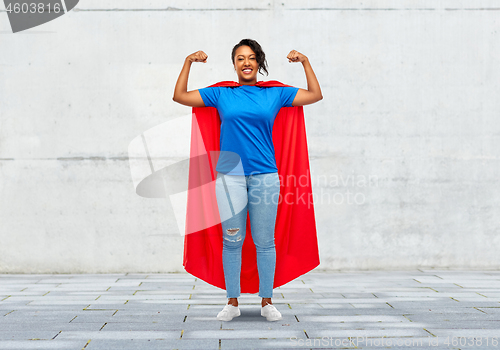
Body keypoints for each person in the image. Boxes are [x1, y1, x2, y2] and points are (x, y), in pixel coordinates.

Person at [173, 39, 322, 321]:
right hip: (229, 178)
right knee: (232, 241)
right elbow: (180, 96)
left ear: (259, 63)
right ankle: (232, 302)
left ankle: (267, 302)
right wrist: (188, 62)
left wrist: (304, 61)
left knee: (265, 241)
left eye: (251, 58)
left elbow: (315, 94)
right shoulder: (222, 95)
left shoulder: (275, 95)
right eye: (240, 58)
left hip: (265, 176)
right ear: (234, 64)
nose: (246, 63)